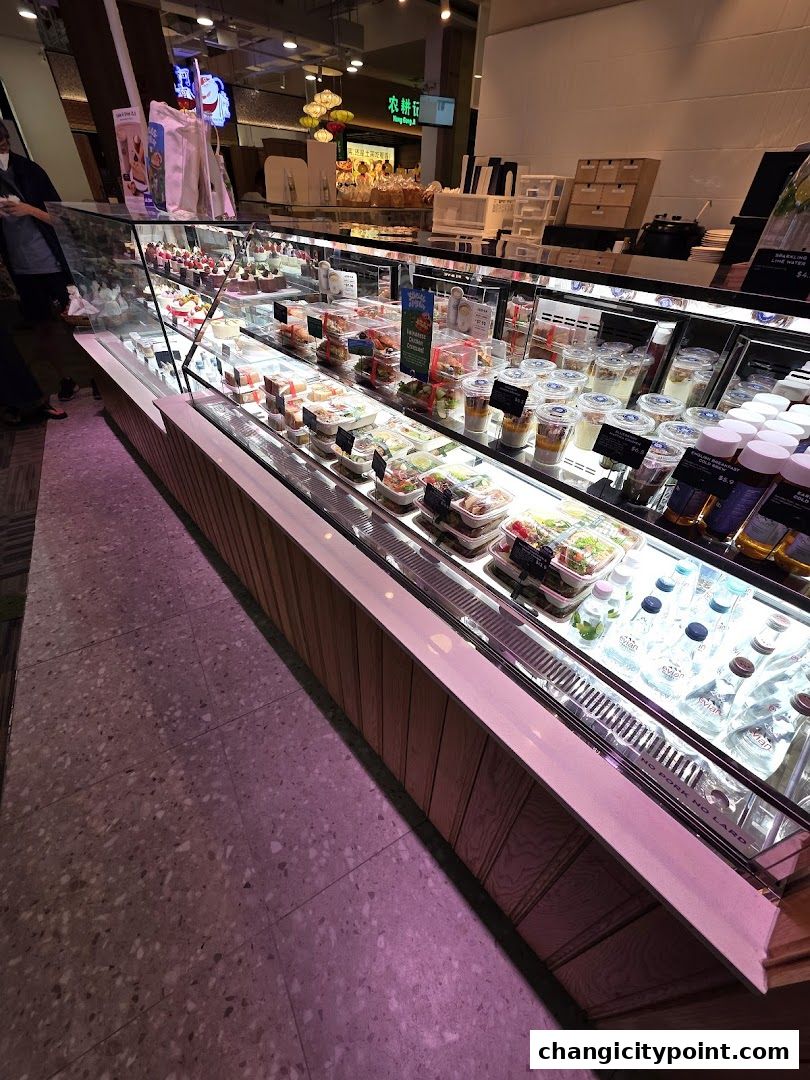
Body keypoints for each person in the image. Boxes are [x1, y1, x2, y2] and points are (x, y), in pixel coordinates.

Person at [0, 120, 75, 417]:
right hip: (20, 268)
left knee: (76, 322)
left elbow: (60, 217)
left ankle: (98, 378)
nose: (2, 147)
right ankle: (64, 378)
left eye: (4, 141)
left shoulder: (30, 171)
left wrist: (27, 209)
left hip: (52, 262)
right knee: (42, 328)